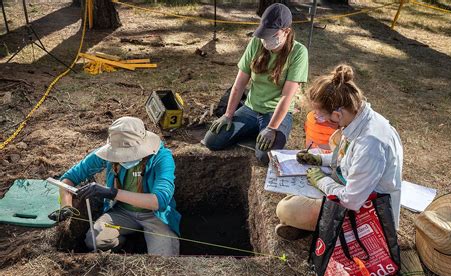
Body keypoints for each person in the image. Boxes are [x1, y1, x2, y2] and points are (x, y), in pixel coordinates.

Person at [275, 64, 403, 240]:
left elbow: (351, 200)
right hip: (351, 190)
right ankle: (315, 226)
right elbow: (347, 159)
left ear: (337, 114)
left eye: (320, 115)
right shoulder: (356, 119)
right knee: (295, 196)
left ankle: (322, 229)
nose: (319, 119)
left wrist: (321, 181)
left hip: (367, 213)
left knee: (286, 209)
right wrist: (319, 159)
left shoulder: (371, 144)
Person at [50, 116, 181, 255]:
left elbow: (159, 201)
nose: (124, 158)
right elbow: (69, 178)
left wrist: (112, 193)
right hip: (122, 212)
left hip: (155, 216)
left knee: (165, 260)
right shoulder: (109, 153)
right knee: (94, 241)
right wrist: (66, 206)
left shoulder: (162, 158)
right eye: (120, 155)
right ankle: (123, 245)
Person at [203, 3, 308, 164]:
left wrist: (272, 128)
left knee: (265, 157)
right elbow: (239, 84)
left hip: (276, 112)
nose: (266, 40)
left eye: (271, 34)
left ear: (286, 31)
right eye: (264, 34)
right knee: (213, 141)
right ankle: (256, 130)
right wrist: (228, 114)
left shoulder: (299, 52)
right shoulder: (256, 43)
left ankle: (265, 130)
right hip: (250, 108)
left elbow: (286, 97)